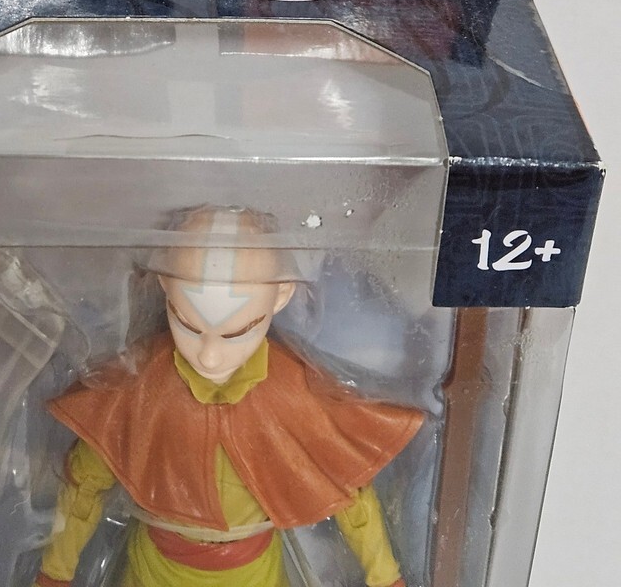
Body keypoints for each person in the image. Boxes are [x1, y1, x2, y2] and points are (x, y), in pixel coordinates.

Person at [35, 206, 422, 587]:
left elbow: (349, 490)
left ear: (281, 295)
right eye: (187, 325)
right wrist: (55, 572)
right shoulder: (139, 388)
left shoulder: (293, 391)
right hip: (153, 567)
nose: (209, 356)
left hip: (254, 572)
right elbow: (85, 483)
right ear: (163, 284)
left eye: (236, 333)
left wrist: (385, 577)